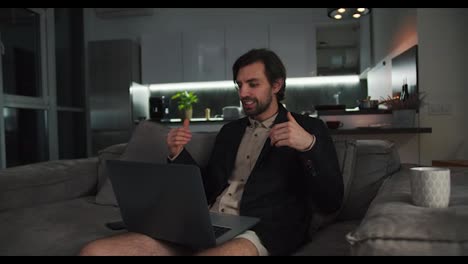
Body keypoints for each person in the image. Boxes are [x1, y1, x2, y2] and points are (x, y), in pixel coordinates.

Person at [79, 48, 343, 256]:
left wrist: (309, 146)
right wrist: (177, 153)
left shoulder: (308, 128)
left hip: (263, 229)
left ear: (276, 85)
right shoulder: (230, 131)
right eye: (239, 85)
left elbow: (331, 201)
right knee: (95, 251)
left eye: (253, 84)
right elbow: (206, 188)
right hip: (207, 223)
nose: (244, 93)